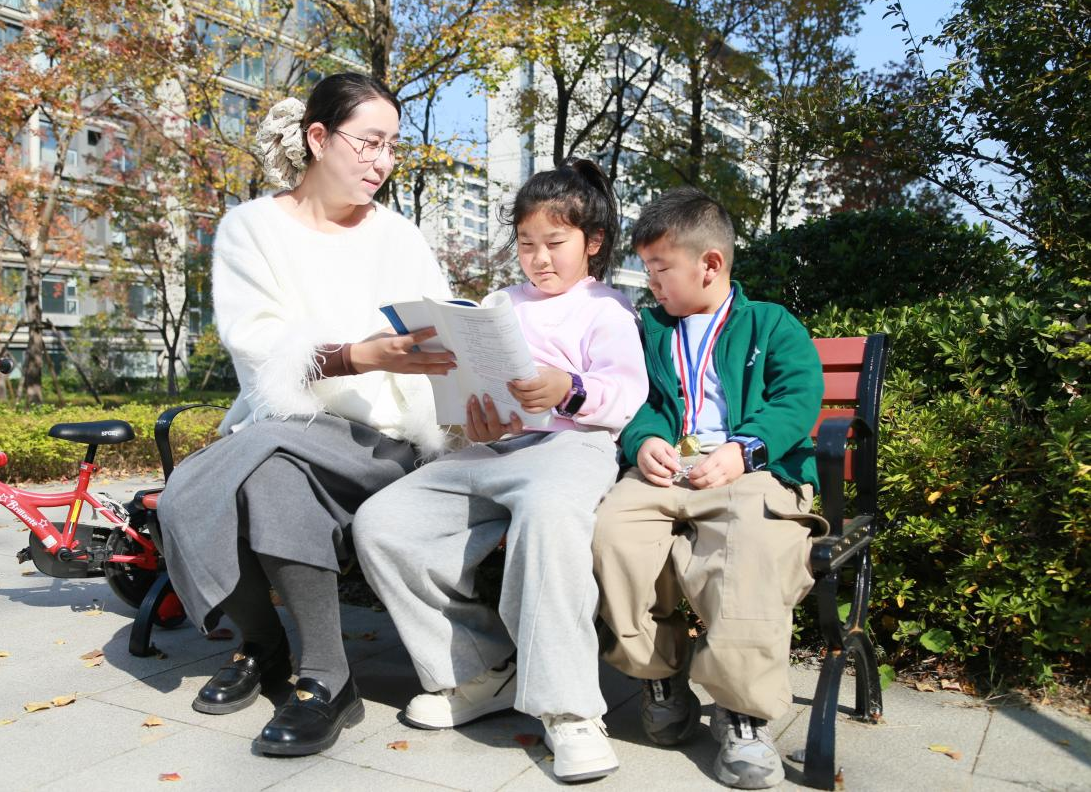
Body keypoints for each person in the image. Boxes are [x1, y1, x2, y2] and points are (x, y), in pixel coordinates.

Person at [155, 72, 458, 758]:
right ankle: (279, 654)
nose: (383, 161)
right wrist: (358, 355)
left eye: (392, 146)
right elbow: (258, 348)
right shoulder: (251, 230)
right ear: (319, 138)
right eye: (369, 142)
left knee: (227, 483)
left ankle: (312, 668)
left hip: (383, 440)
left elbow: (441, 335)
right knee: (247, 480)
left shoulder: (400, 237)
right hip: (285, 427)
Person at [354, 160, 648, 783]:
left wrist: (568, 390)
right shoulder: (501, 303)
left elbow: (626, 396)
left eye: (555, 243)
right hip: (494, 450)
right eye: (526, 243)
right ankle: (480, 670)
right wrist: (476, 421)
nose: (539, 259)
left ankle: (571, 711)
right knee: (384, 522)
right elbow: (475, 383)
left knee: (548, 516)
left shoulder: (608, 309)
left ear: (593, 243)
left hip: (573, 447)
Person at [590, 186, 828, 789]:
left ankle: (743, 713)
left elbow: (797, 397)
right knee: (612, 532)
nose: (652, 284)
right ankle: (659, 676)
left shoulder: (771, 324)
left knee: (753, 546)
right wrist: (643, 439)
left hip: (750, 473)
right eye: (648, 270)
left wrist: (745, 449)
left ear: (711, 264)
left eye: (661, 269)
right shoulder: (648, 330)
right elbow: (635, 399)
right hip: (666, 472)